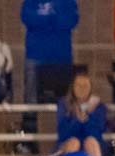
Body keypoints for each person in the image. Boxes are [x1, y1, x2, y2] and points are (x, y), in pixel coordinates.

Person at [21, 0, 79, 137]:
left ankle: (68, 136)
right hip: (35, 55)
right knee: (31, 97)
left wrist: (45, 19)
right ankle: (29, 137)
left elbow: (71, 20)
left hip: (62, 56)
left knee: (66, 100)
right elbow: (27, 18)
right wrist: (53, 18)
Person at [56, 72, 106, 156]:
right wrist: (77, 121)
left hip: (90, 142)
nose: (82, 89)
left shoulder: (98, 106)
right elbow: (62, 132)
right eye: (78, 85)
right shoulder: (64, 104)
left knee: (91, 142)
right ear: (73, 87)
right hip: (69, 142)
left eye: (85, 86)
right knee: (74, 143)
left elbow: (97, 133)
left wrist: (87, 117)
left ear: (90, 88)